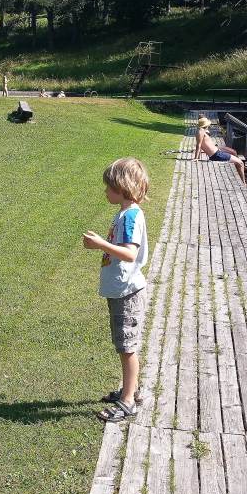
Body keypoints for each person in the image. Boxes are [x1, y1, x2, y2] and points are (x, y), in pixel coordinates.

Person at [82, 158, 151, 422]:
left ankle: (128, 401)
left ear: (122, 188)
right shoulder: (126, 213)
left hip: (127, 293)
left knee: (127, 347)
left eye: (108, 187)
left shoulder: (130, 216)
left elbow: (130, 254)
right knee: (125, 344)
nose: (105, 191)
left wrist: (101, 244)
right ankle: (132, 390)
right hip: (121, 290)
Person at [196, 116, 246, 183]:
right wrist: (196, 158)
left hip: (218, 153)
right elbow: (199, 145)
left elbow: (200, 144)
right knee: (240, 163)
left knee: (238, 161)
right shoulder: (201, 131)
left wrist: (198, 156)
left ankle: (242, 181)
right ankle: (244, 183)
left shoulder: (202, 131)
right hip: (217, 154)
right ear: (205, 125)